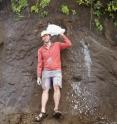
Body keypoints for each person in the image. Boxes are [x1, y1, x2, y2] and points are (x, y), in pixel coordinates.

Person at [35, 30, 72, 122]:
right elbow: (39, 63)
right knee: (45, 89)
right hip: (46, 72)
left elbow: (69, 44)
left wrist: (62, 35)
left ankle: (56, 110)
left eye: (46, 35)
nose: (45, 37)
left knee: (56, 87)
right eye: (43, 36)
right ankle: (43, 112)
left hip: (56, 71)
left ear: (50, 36)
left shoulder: (57, 45)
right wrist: (39, 76)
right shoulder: (40, 50)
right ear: (42, 38)